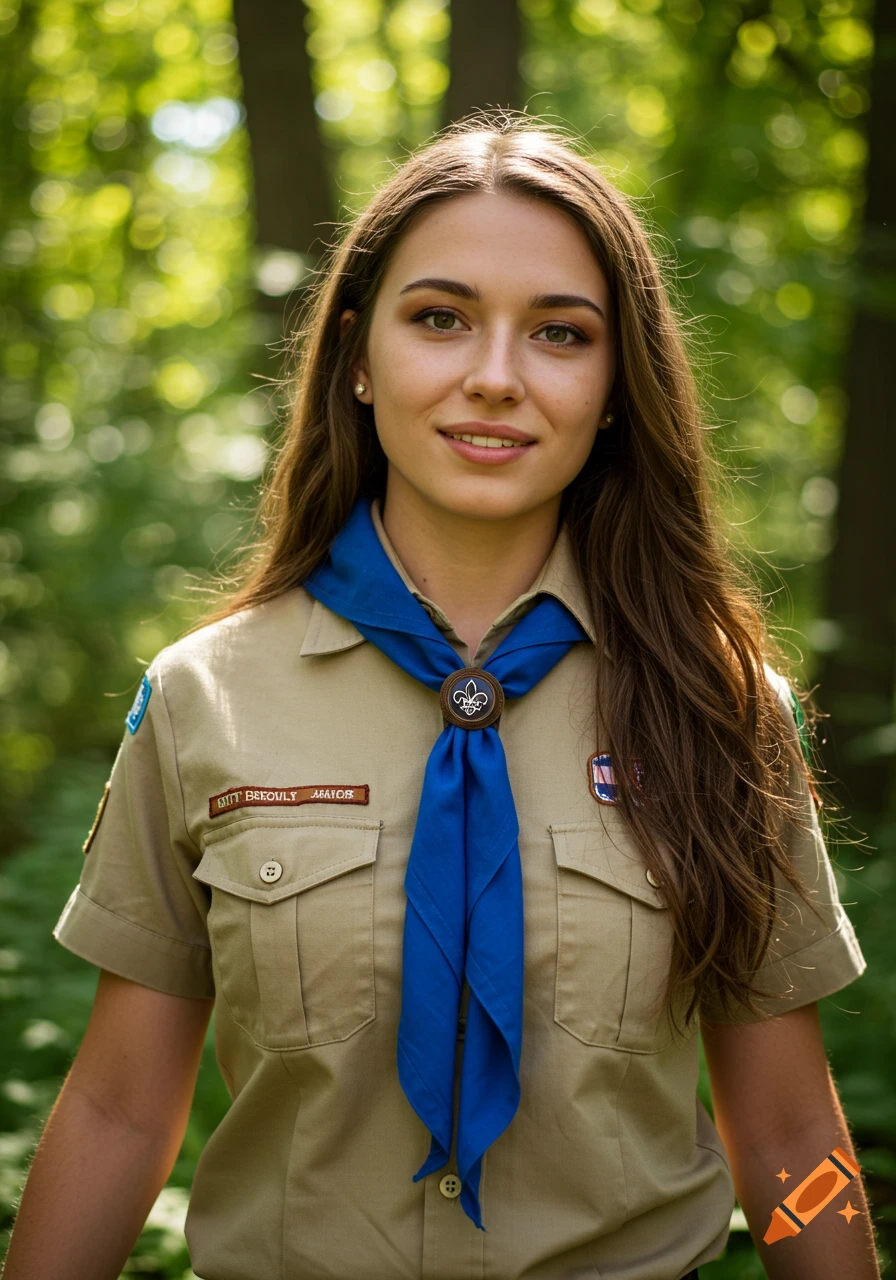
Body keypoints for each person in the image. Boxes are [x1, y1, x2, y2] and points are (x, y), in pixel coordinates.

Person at [2, 115, 880, 1280]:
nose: (494, 376)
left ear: (617, 386)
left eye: (560, 333)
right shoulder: (202, 695)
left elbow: (785, 1137)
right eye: (440, 317)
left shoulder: (721, 707)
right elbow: (118, 1110)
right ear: (358, 357)